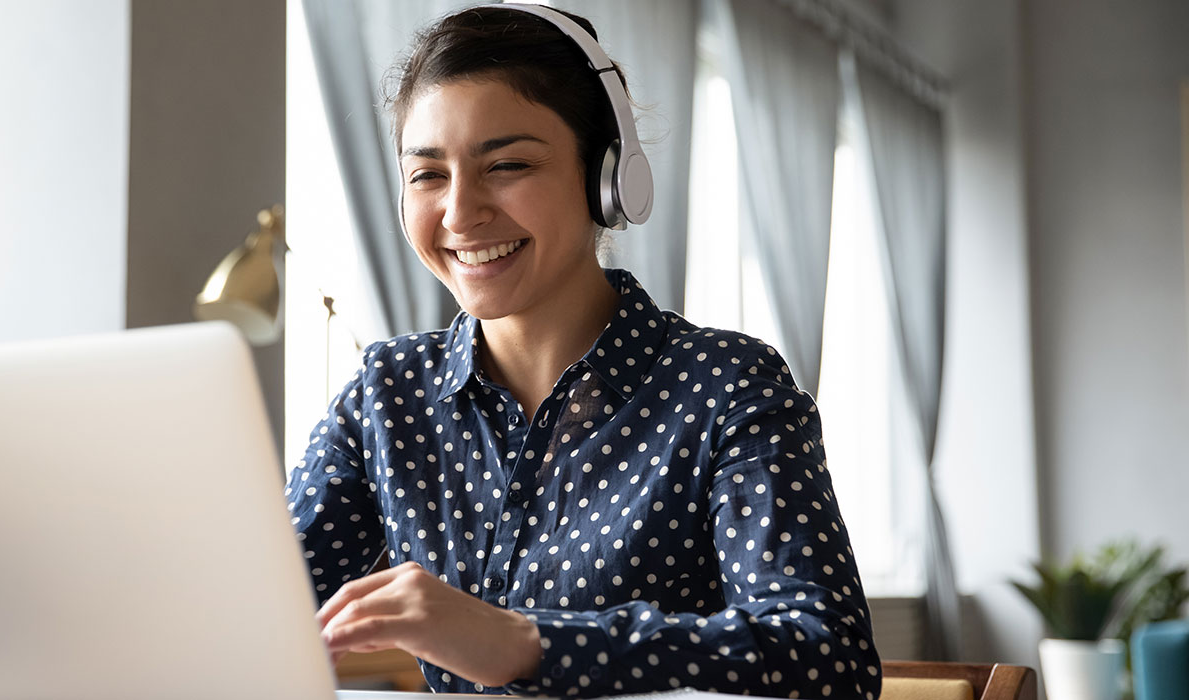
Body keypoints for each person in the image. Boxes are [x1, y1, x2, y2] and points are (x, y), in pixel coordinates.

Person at [285, 5, 881, 698]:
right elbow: (262, 609)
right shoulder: (387, 394)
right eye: (427, 175)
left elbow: (827, 659)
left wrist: (525, 643)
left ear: (607, 178)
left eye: (506, 164)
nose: (458, 213)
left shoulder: (726, 387)